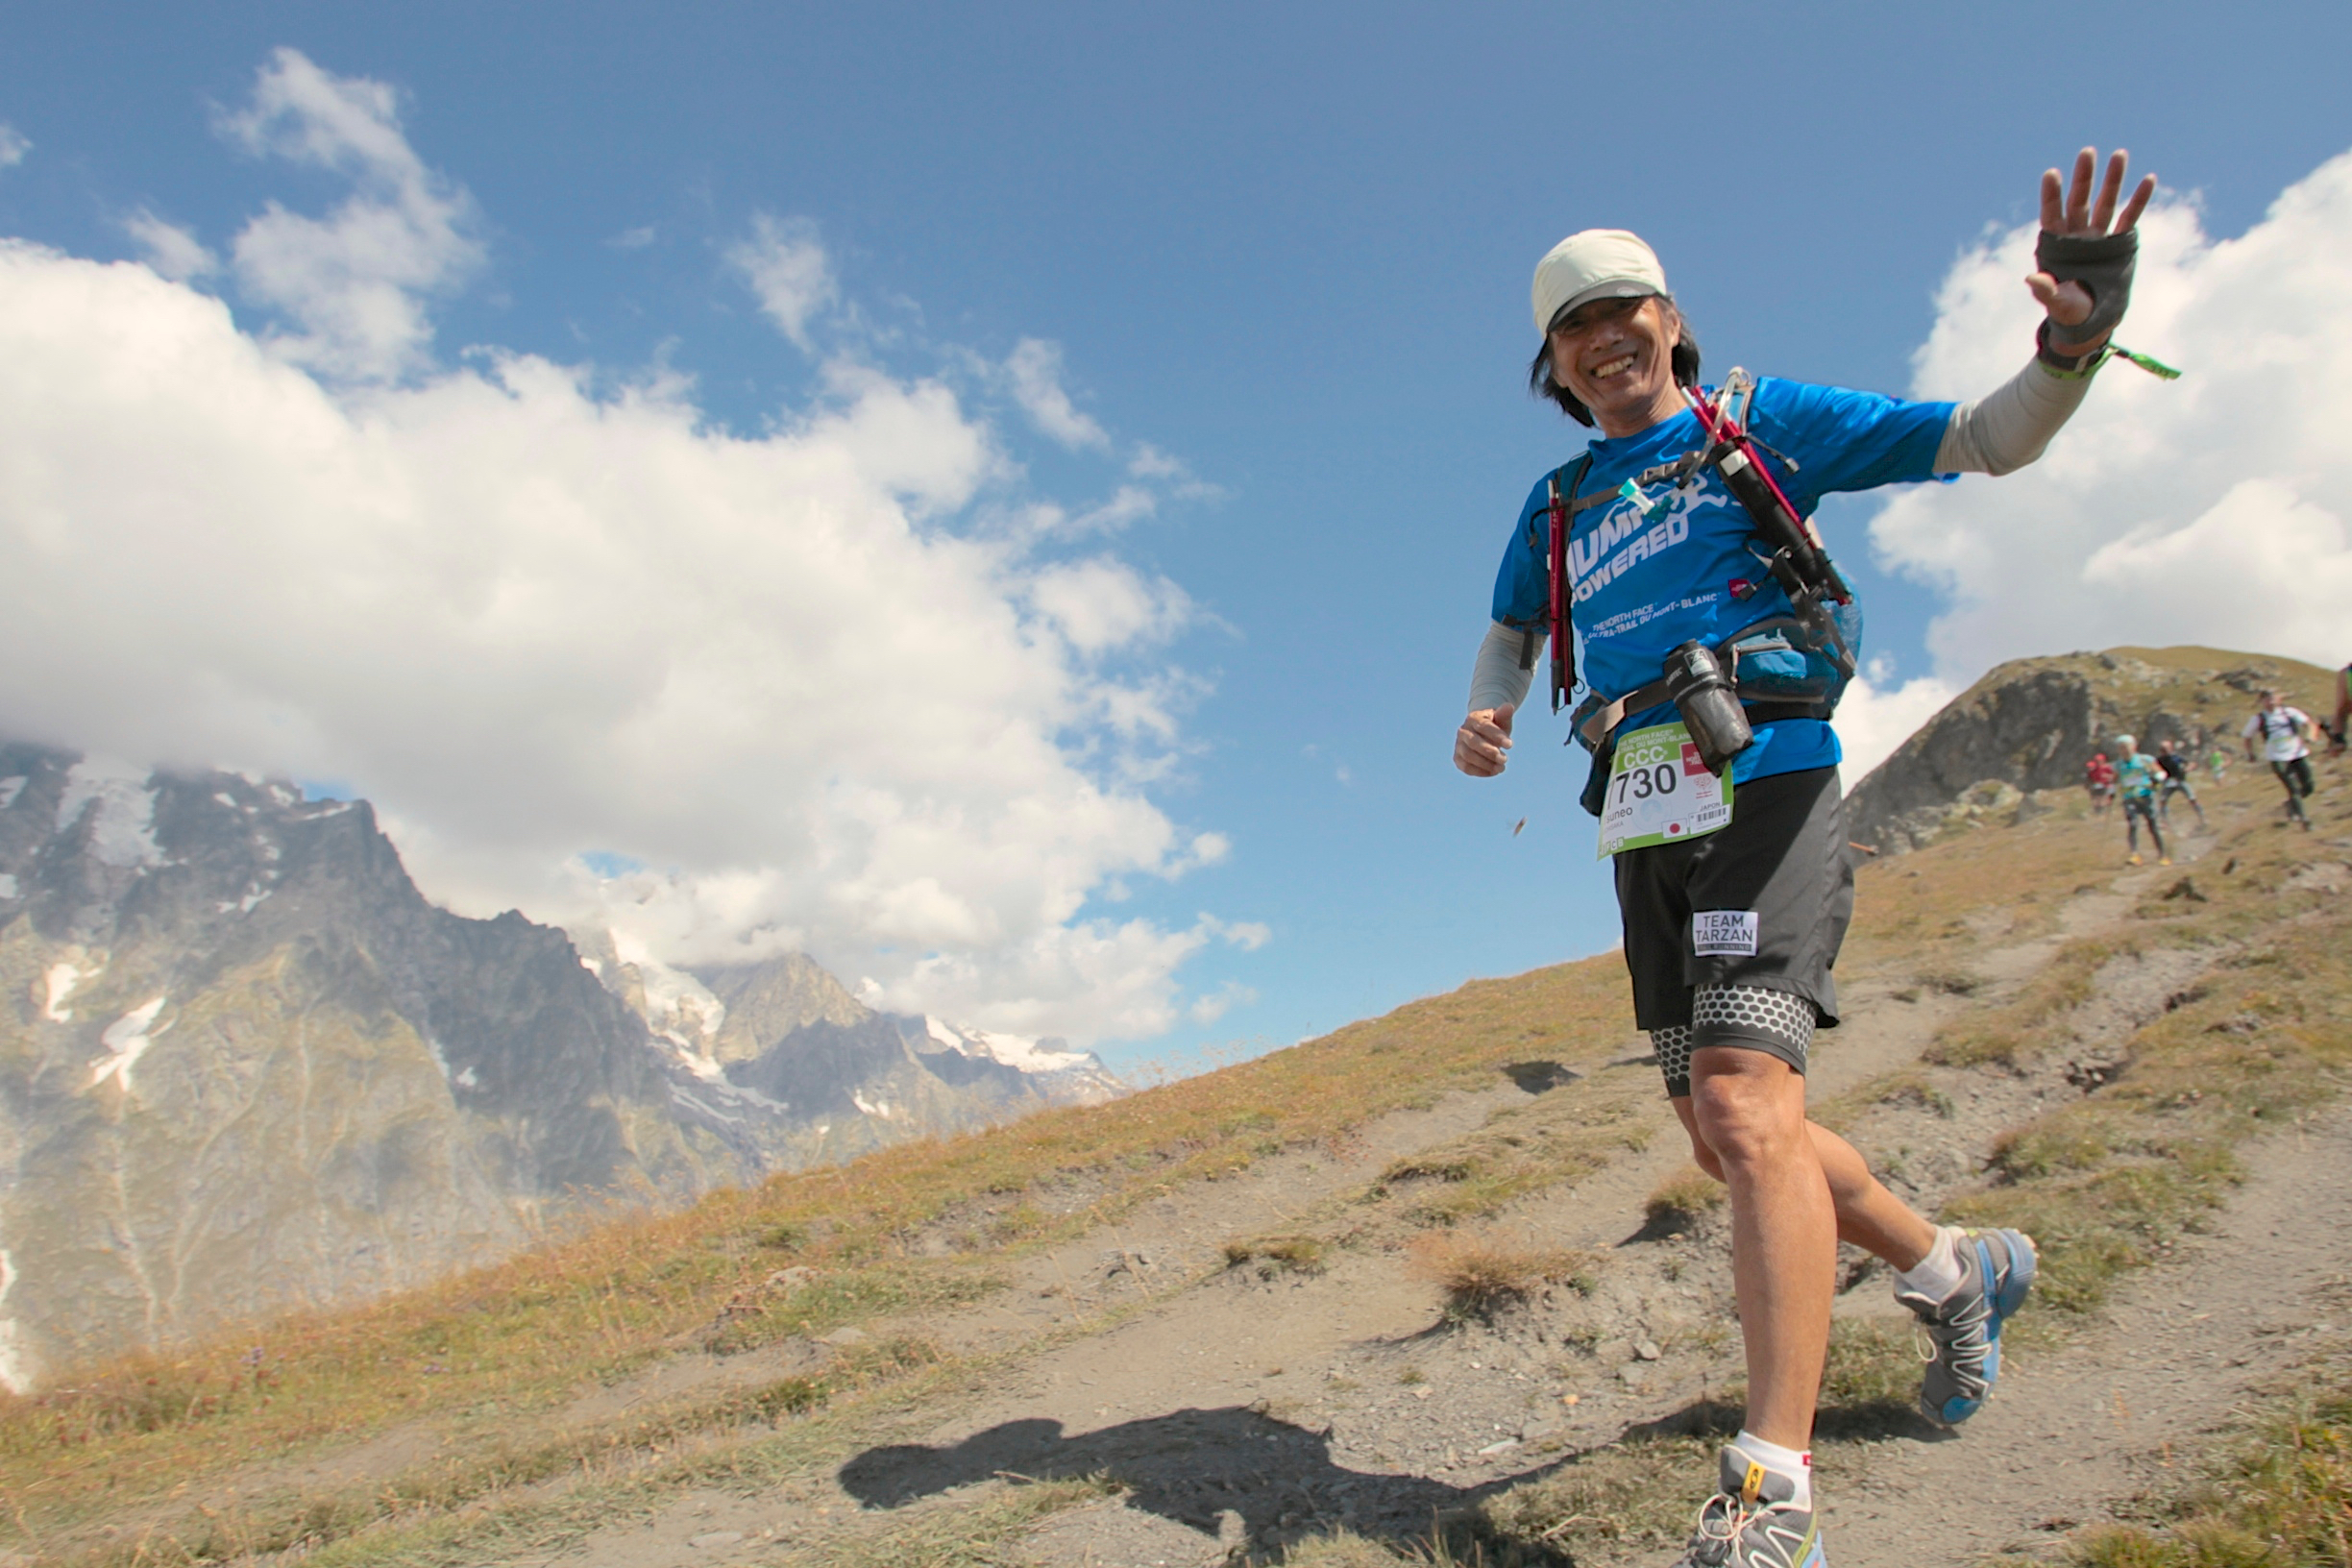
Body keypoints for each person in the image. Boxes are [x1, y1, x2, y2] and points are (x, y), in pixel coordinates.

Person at [1455, 147, 2156, 1567]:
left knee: (1746, 1102)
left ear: (1671, 319)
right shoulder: (1554, 506)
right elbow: (1514, 625)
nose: (1602, 341)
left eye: (1623, 311)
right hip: (1640, 812)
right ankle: (1957, 1272)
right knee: (1723, 1136)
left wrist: (2072, 342)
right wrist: (1489, 703)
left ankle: (1770, 1493)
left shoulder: (1762, 423)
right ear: (1556, 367)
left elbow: (1991, 436)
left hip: (1767, 780)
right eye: (1571, 332)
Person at [2243, 689, 2316, 829]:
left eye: (2272, 697)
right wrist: (2250, 754)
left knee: (2309, 786)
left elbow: (2309, 724)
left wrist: (2310, 736)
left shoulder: (2290, 712)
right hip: (2277, 758)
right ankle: (2304, 820)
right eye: (2265, 698)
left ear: (2278, 699)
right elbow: (2247, 737)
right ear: (2261, 702)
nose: (2269, 701)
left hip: (2298, 753)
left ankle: (2290, 804)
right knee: (2293, 788)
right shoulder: (2258, 719)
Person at [2114, 735, 2168, 865]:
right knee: (2132, 824)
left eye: (2126, 747)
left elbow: (2161, 773)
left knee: (2153, 826)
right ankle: (2135, 855)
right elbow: (2115, 779)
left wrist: (2157, 779)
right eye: (2121, 748)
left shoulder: (2145, 760)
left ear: (2134, 747)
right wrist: (2111, 792)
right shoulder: (2118, 764)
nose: (2124, 751)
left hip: (2146, 796)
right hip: (2129, 798)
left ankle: (2162, 855)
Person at [2154, 738, 2206, 827]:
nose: (2164, 751)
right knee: (2163, 801)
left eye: (2166, 749)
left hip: (2180, 781)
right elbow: (2155, 770)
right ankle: (2165, 822)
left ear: (2170, 748)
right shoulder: (2159, 760)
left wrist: (2187, 769)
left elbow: (2191, 763)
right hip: (2167, 783)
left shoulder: (2176, 757)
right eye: (2162, 749)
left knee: (2192, 799)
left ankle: (2202, 818)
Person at [2085, 750, 2117, 816]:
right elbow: (2091, 777)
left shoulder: (2108, 767)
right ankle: (2098, 809)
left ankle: (2106, 808)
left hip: (2107, 785)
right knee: (2097, 797)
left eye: (2099, 760)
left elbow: (2114, 776)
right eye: (2096, 760)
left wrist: (2107, 777)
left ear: (2103, 760)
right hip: (2099, 786)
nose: (2097, 762)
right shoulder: (2095, 769)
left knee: (2106, 796)